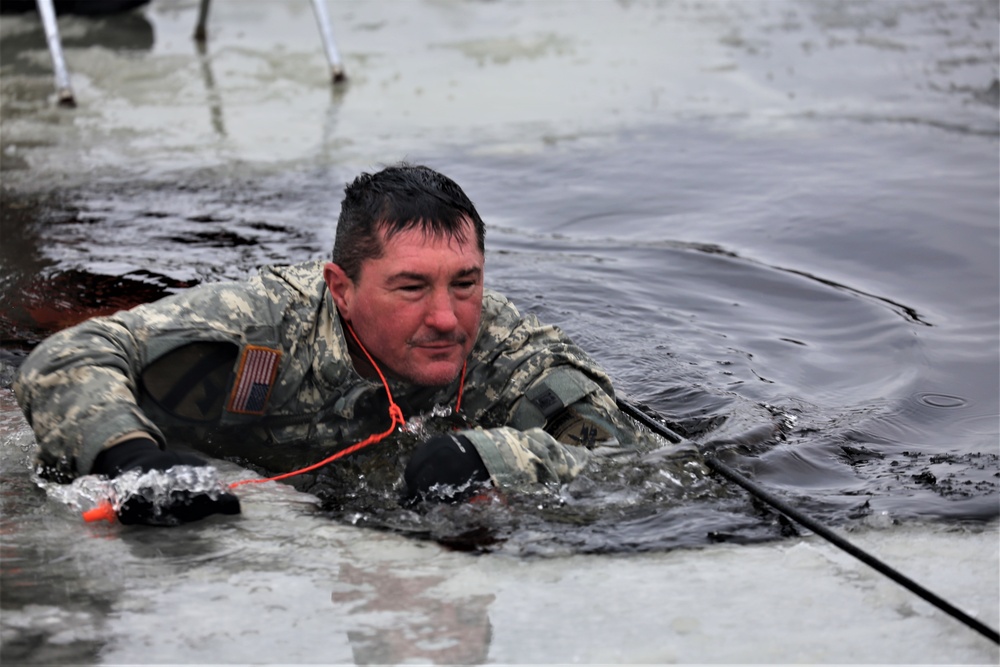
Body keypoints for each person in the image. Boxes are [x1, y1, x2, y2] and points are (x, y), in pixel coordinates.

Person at [13, 163, 649, 525]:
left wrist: (497, 460)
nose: (448, 319)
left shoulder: (510, 349)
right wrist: (129, 459)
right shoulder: (263, 320)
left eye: (465, 283)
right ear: (341, 289)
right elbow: (66, 358)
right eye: (410, 288)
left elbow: (631, 457)